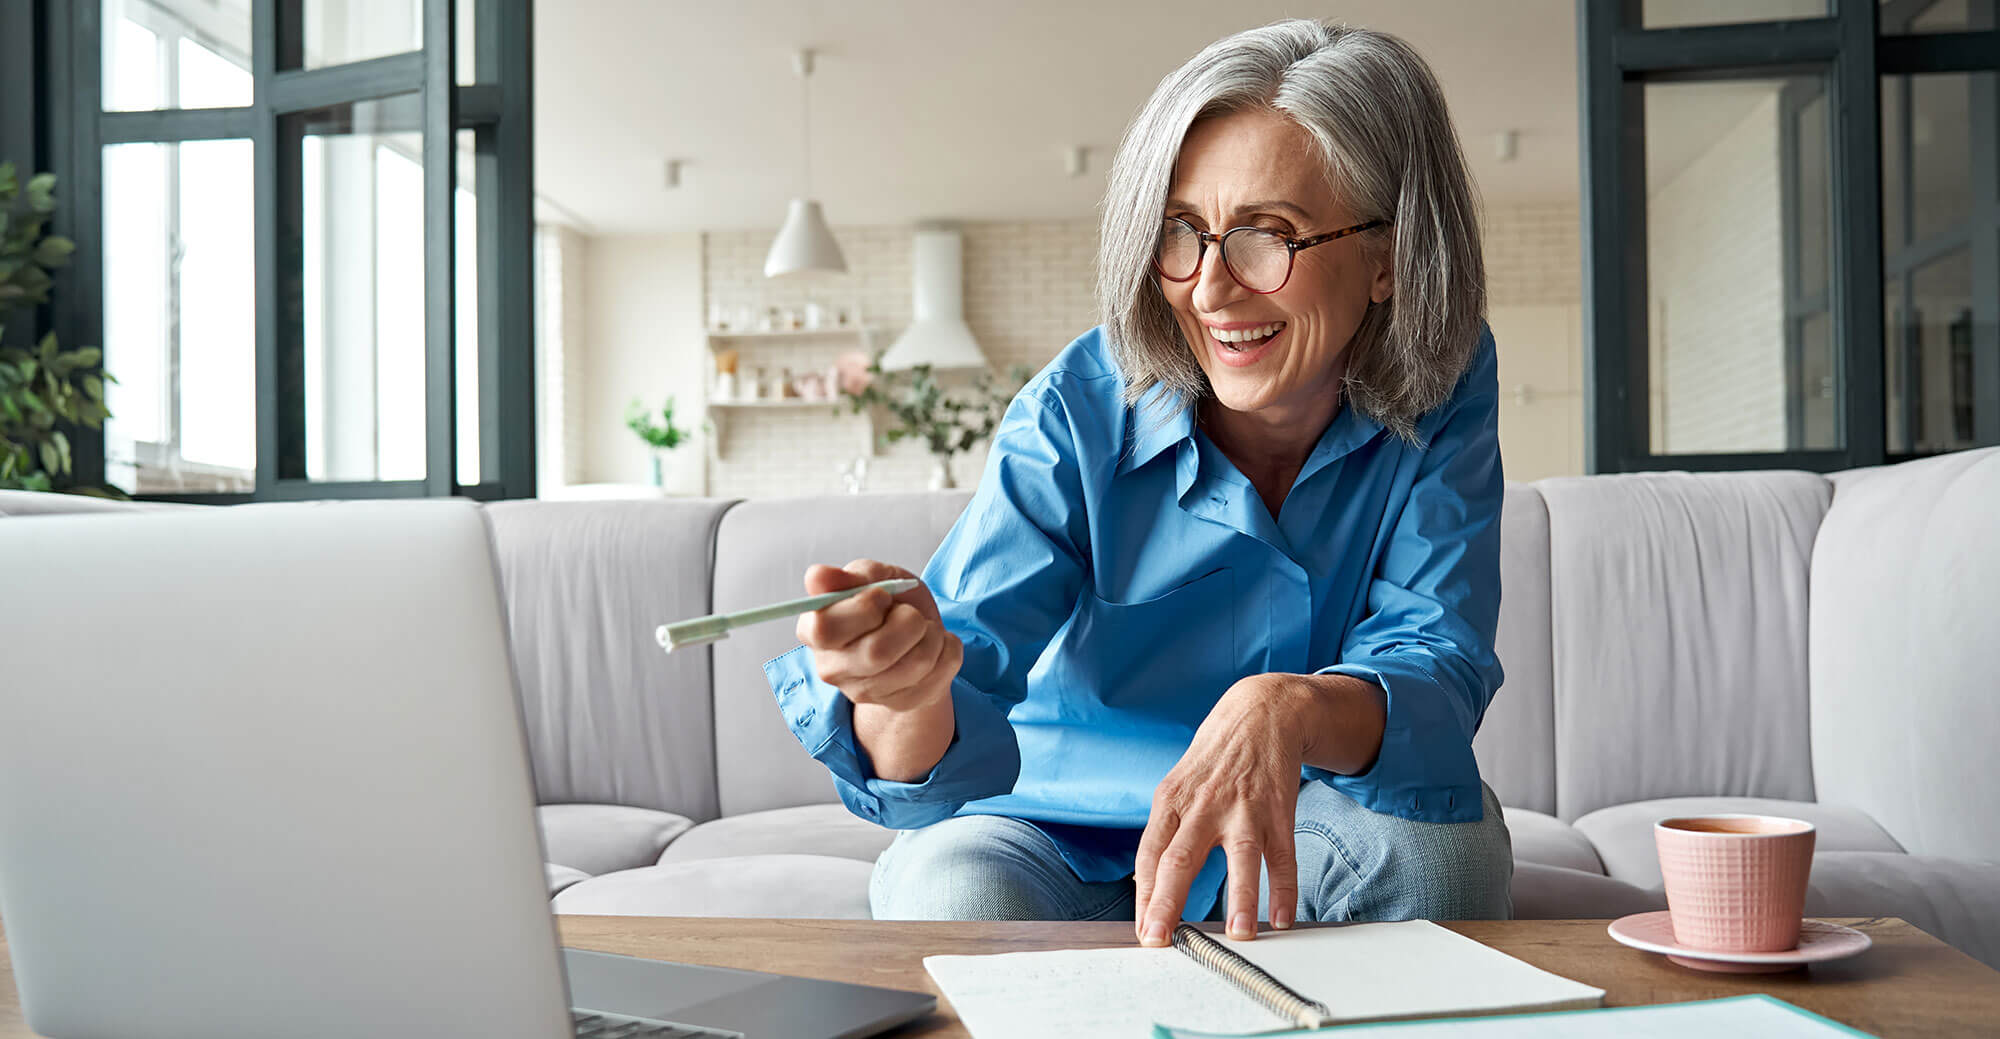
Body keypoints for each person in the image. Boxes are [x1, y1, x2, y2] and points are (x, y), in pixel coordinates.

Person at [762, 19, 1510, 947]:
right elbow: (960, 687)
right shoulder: (1074, 409)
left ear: (1389, 257)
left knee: (1448, 852)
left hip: (1301, 817)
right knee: (950, 889)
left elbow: (1435, 659)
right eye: (1181, 235)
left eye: (1266, 237)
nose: (1208, 289)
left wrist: (1287, 705)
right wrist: (904, 691)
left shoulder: (1444, 381)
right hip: (1047, 828)